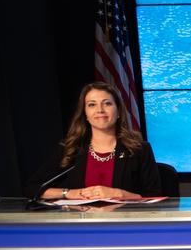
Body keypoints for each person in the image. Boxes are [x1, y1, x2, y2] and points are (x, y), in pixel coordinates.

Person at [28, 82, 161, 201]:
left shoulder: (139, 150)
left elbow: (155, 197)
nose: (100, 110)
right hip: (80, 220)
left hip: (124, 220)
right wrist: (68, 193)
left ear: (118, 111)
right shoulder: (70, 149)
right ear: (85, 113)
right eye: (92, 105)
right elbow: (32, 188)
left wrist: (121, 194)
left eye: (107, 103)